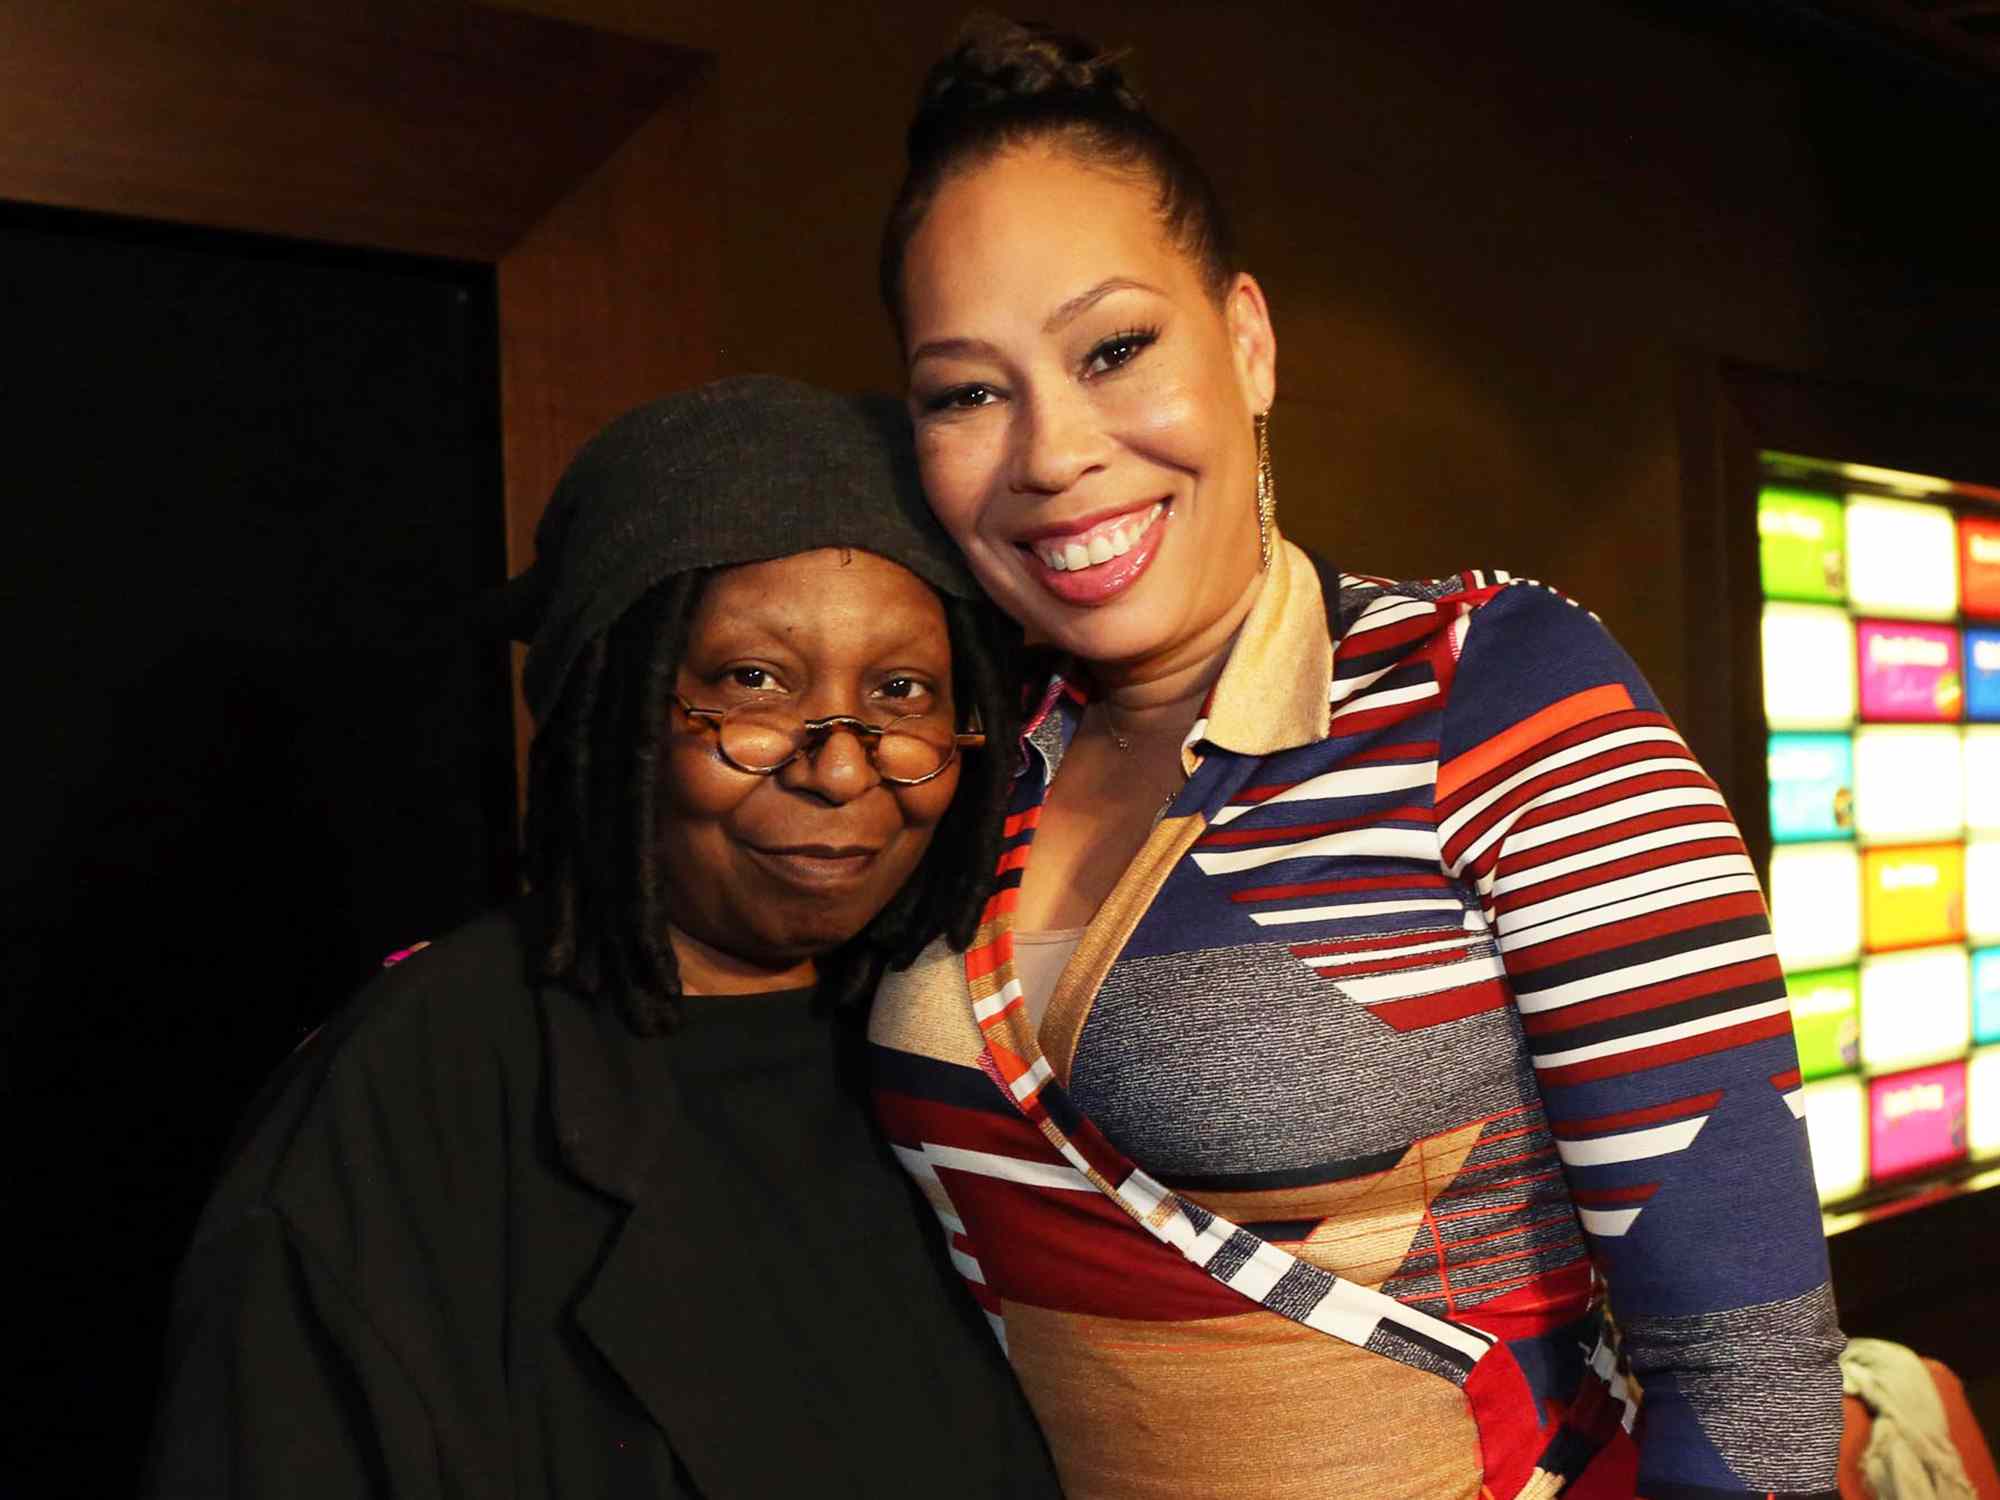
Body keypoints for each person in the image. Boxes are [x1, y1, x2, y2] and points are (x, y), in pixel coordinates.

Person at [865, 19, 1844, 1500]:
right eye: (966, 391)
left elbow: (1750, 1386)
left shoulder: (1494, 695)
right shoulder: (958, 750)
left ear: (1247, 341)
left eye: (1115, 348)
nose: (1052, 450)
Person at [143, 376, 1062, 1498]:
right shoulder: (413, 1091)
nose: (838, 766)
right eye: (752, 682)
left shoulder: (965, 1051)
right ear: (612, 710)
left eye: (902, 689)